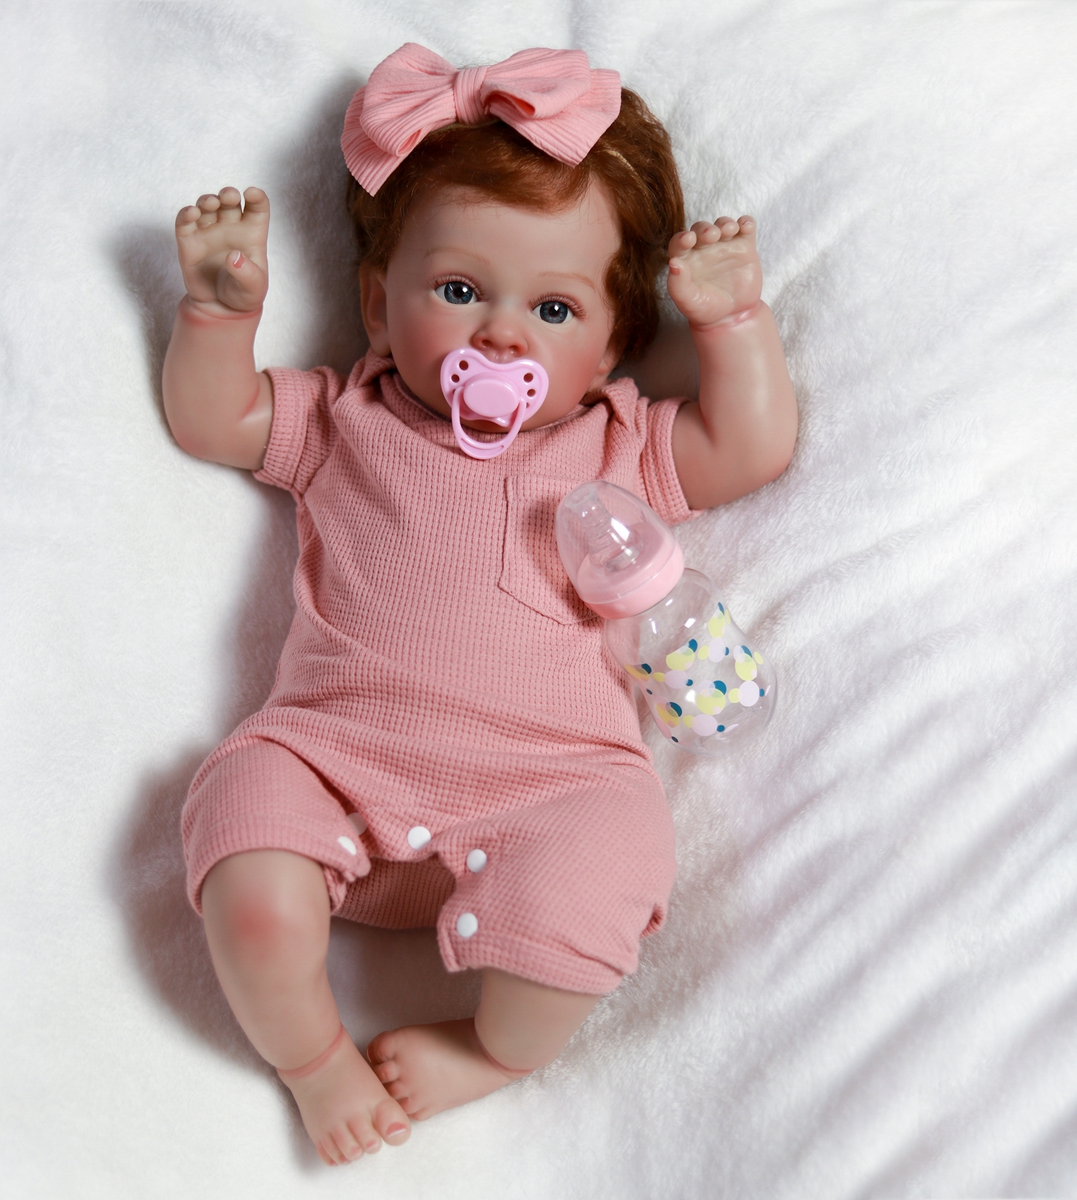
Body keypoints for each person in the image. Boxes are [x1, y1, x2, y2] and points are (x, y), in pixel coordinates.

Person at [161, 43, 796, 1167]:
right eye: (458, 291)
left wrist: (732, 325)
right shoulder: (345, 420)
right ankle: (313, 1061)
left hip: (554, 783)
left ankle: (493, 1053)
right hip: (334, 762)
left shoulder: (616, 442)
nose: (501, 336)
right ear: (376, 304)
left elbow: (746, 447)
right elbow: (217, 421)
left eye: (553, 307)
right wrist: (217, 317)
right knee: (244, 861)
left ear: (612, 346)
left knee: (602, 881)